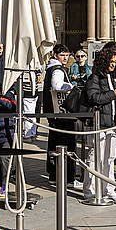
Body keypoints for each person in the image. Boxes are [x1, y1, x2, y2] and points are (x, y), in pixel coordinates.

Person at [82, 49, 116, 205]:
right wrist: (112, 94)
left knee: (109, 158)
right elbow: (93, 97)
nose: (113, 65)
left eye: (115, 62)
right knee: (95, 158)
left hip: (111, 122)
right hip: (98, 123)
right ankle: (91, 189)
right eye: (111, 62)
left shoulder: (112, 77)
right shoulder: (95, 78)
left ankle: (108, 189)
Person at [42, 44, 77, 185]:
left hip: (53, 113)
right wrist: (71, 87)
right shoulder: (57, 70)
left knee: (54, 143)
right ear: (56, 55)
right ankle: (67, 176)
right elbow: (57, 85)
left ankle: (53, 174)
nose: (65, 57)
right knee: (66, 144)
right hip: (62, 113)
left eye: (67, 55)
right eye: (62, 55)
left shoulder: (50, 68)